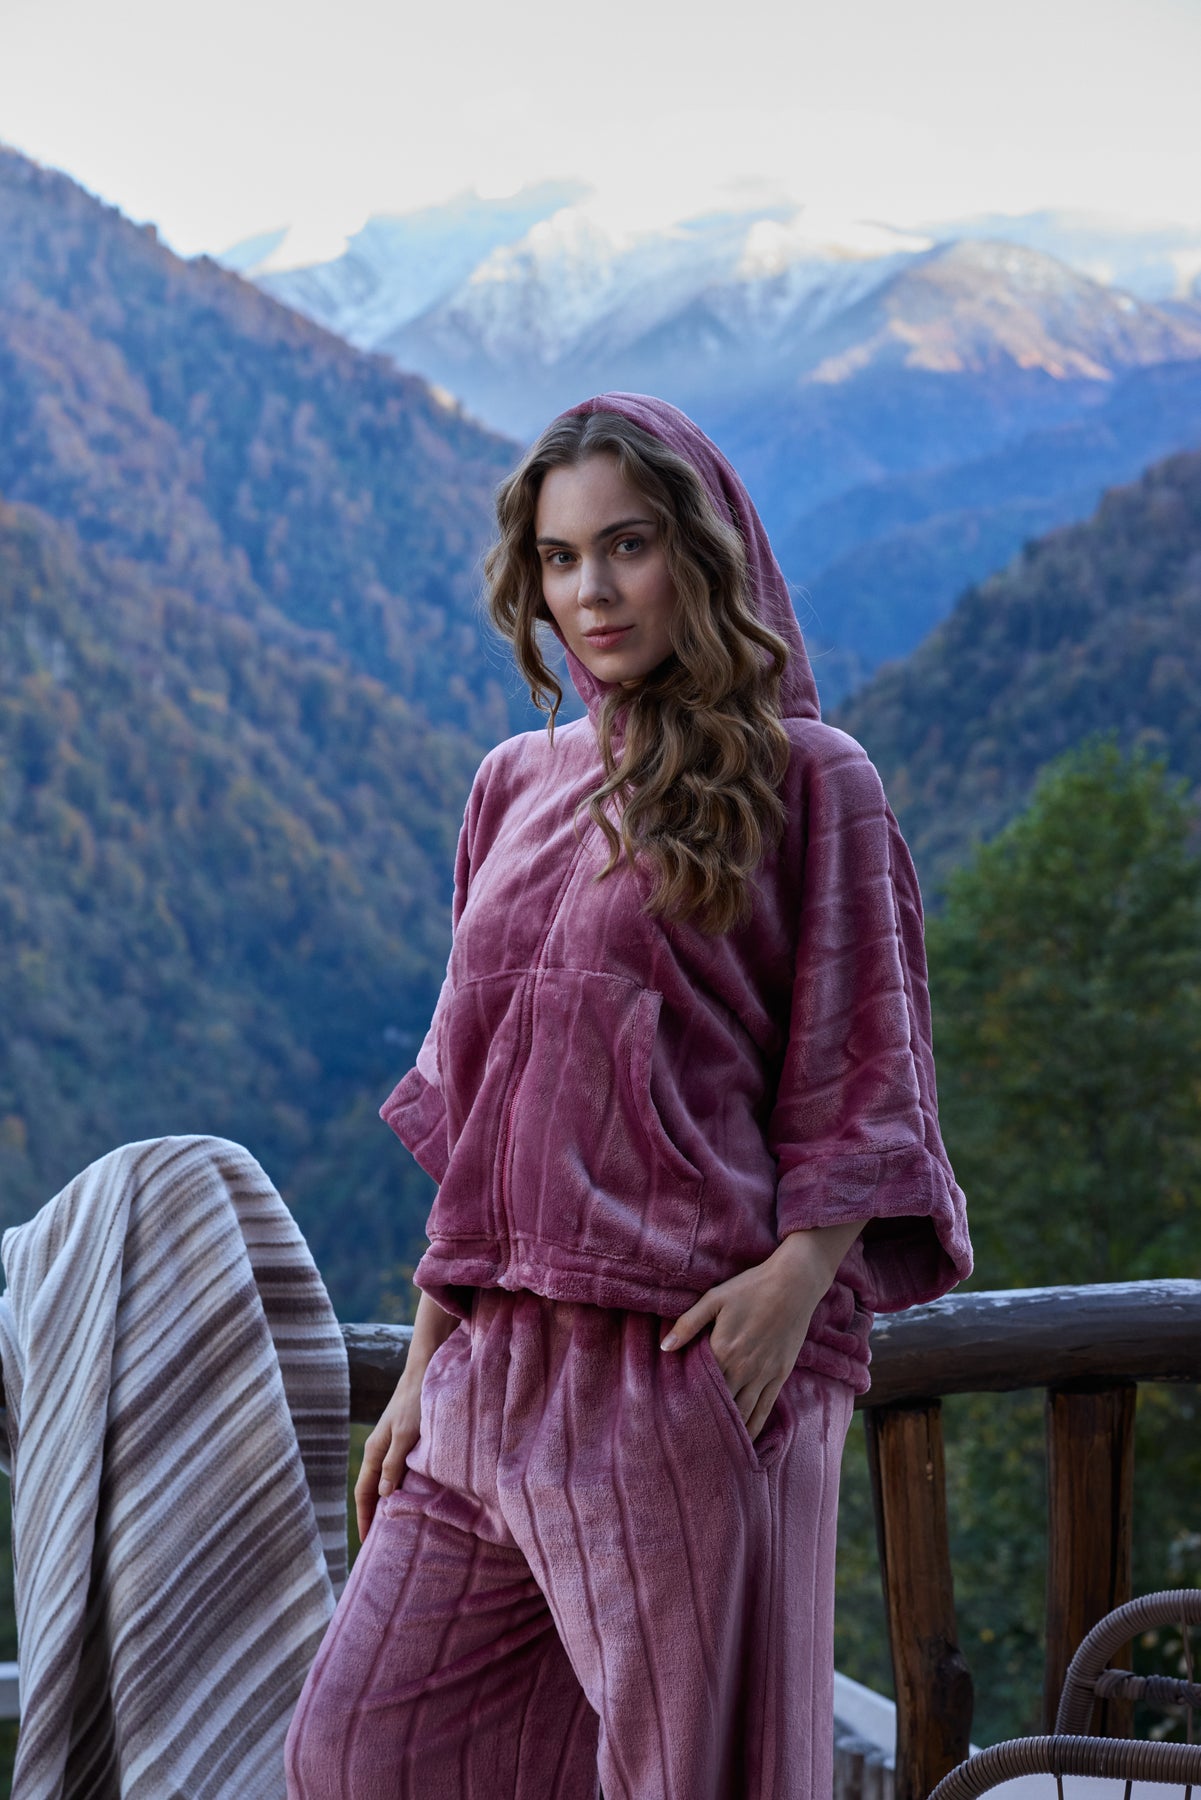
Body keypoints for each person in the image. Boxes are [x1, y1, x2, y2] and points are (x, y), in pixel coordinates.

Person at [284, 393, 972, 1800]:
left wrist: (796, 1284)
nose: (590, 590)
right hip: (493, 1366)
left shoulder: (811, 781)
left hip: (679, 1363)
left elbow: (866, 1066)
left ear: (704, 553)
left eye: (628, 545)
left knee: (683, 1775)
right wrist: (427, 1360)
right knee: (358, 1750)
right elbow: (480, 1111)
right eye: (559, 557)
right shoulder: (511, 784)